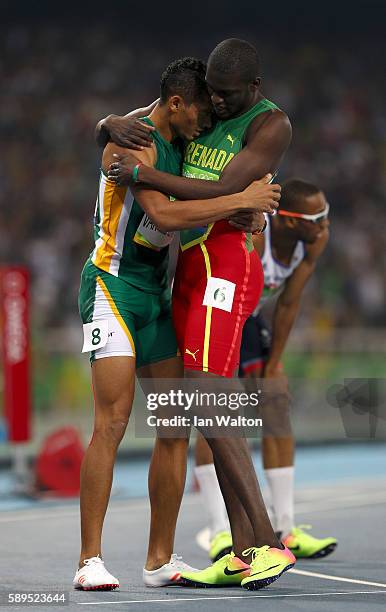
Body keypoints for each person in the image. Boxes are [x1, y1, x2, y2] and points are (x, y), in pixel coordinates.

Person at [74, 57, 279, 591]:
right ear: (175, 105)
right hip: (112, 286)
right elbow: (163, 216)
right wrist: (242, 201)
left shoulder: (181, 140)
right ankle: (89, 559)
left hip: (155, 295)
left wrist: (247, 212)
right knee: (113, 421)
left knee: (174, 425)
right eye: (200, 115)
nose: (207, 124)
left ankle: (159, 560)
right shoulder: (132, 142)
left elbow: (205, 187)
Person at [194, 178, 338, 562]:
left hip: (249, 315)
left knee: (275, 405)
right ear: (289, 221)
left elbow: (289, 304)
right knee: (216, 415)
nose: (326, 223)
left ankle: (285, 527)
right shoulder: (257, 236)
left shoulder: (314, 240)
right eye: (317, 216)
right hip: (215, 312)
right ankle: (218, 530)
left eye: (326, 213)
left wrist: (274, 364)